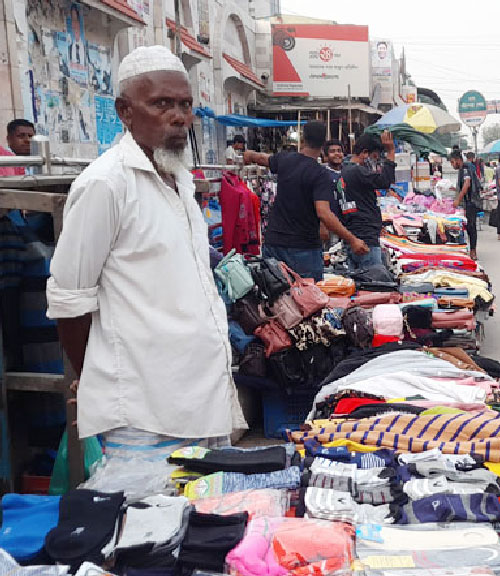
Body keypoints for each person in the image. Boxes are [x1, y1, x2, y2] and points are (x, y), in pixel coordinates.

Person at [45, 45, 245, 455]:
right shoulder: (107, 184)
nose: (178, 117)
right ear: (125, 111)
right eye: (161, 104)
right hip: (143, 416)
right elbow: (69, 300)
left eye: (185, 105)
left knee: (208, 515)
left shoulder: (180, 180)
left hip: (202, 399)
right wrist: (96, 378)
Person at [243, 122, 367, 281]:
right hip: (304, 249)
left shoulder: (285, 160)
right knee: (309, 301)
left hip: (275, 243)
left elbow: (261, 158)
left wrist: (248, 154)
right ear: (323, 145)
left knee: (275, 299)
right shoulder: (321, 174)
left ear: (303, 138)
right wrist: (353, 240)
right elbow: (324, 213)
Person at [339, 131, 397, 269]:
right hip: (365, 238)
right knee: (374, 283)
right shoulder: (357, 171)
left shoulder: (345, 171)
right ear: (365, 153)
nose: (375, 163)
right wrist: (391, 152)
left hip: (355, 234)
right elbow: (385, 181)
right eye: (374, 157)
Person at [451, 151, 481, 260]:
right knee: (468, 226)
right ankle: (471, 249)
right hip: (468, 202)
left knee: (471, 227)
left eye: (452, 162)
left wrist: (458, 199)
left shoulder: (464, 169)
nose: (452, 165)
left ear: (458, 160)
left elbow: (467, 184)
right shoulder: (463, 169)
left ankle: (473, 251)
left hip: (471, 202)